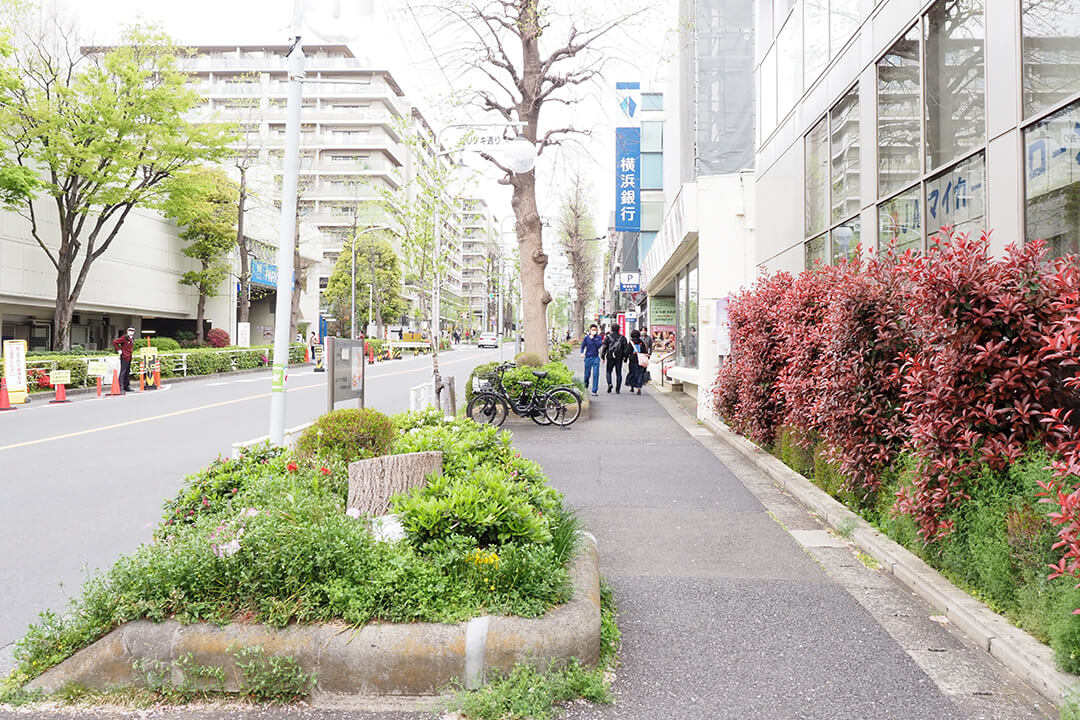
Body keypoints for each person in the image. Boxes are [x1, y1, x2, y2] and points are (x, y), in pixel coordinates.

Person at [601, 322, 627, 394]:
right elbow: (625, 349)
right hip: (619, 357)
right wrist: (625, 358)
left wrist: (603, 356)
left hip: (610, 357)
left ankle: (609, 384)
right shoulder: (622, 338)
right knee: (618, 373)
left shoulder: (608, 337)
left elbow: (604, 347)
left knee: (608, 371)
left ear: (611, 329)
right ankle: (618, 389)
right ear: (619, 329)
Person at [580, 323, 603, 396]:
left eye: (595, 330)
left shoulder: (598, 337)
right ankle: (585, 387)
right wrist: (581, 353)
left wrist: (593, 339)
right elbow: (582, 346)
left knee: (596, 374)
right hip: (588, 357)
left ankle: (594, 390)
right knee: (587, 374)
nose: (594, 331)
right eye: (592, 330)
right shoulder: (586, 338)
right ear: (589, 330)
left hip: (596, 357)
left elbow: (599, 345)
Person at [112, 327, 135, 393]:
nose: (131, 332)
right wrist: (119, 350)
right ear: (127, 331)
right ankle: (121, 387)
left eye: (133, 331)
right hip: (124, 356)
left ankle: (127, 386)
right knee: (123, 372)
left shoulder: (131, 338)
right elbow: (115, 342)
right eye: (130, 330)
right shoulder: (124, 337)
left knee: (127, 372)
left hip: (129, 356)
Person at [626, 329, 648, 395]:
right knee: (640, 374)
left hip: (632, 360)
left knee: (632, 373)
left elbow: (627, 351)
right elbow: (645, 351)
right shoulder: (642, 342)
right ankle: (639, 388)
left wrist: (626, 358)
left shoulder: (631, 342)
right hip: (641, 360)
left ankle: (632, 387)